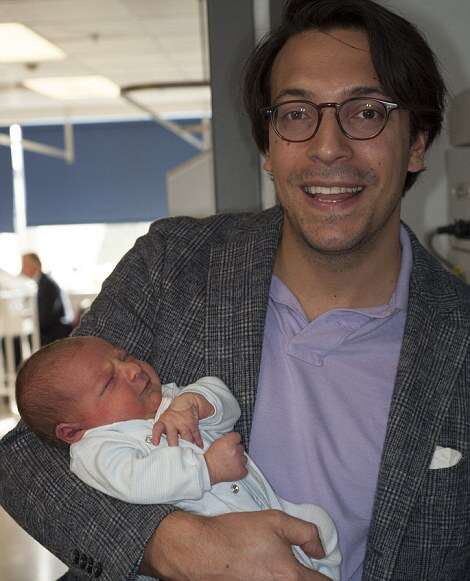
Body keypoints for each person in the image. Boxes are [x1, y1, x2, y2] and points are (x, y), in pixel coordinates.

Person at [0, 0, 468, 579]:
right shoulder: (173, 265)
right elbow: (27, 456)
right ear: (269, 149)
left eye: (367, 111)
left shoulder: (460, 338)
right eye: (297, 114)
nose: (328, 147)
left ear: (418, 142)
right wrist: (176, 544)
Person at [15, 335, 341, 580]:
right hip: (219, 549)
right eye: (109, 381)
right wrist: (206, 468)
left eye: (125, 357)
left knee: (318, 523)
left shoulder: (168, 399)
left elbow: (223, 401)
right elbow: (137, 481)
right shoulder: (97, 448)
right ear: (72, 431)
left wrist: (195, 403)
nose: (132, 370)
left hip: (272, 510)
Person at [21, 252, 74, 346]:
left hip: (56, 330)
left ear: (35, 266)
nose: (22, 270)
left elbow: (46, 317)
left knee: (19, 339)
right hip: (48, 328)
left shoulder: (48, 285)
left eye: (25, 265)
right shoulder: (36, 283)